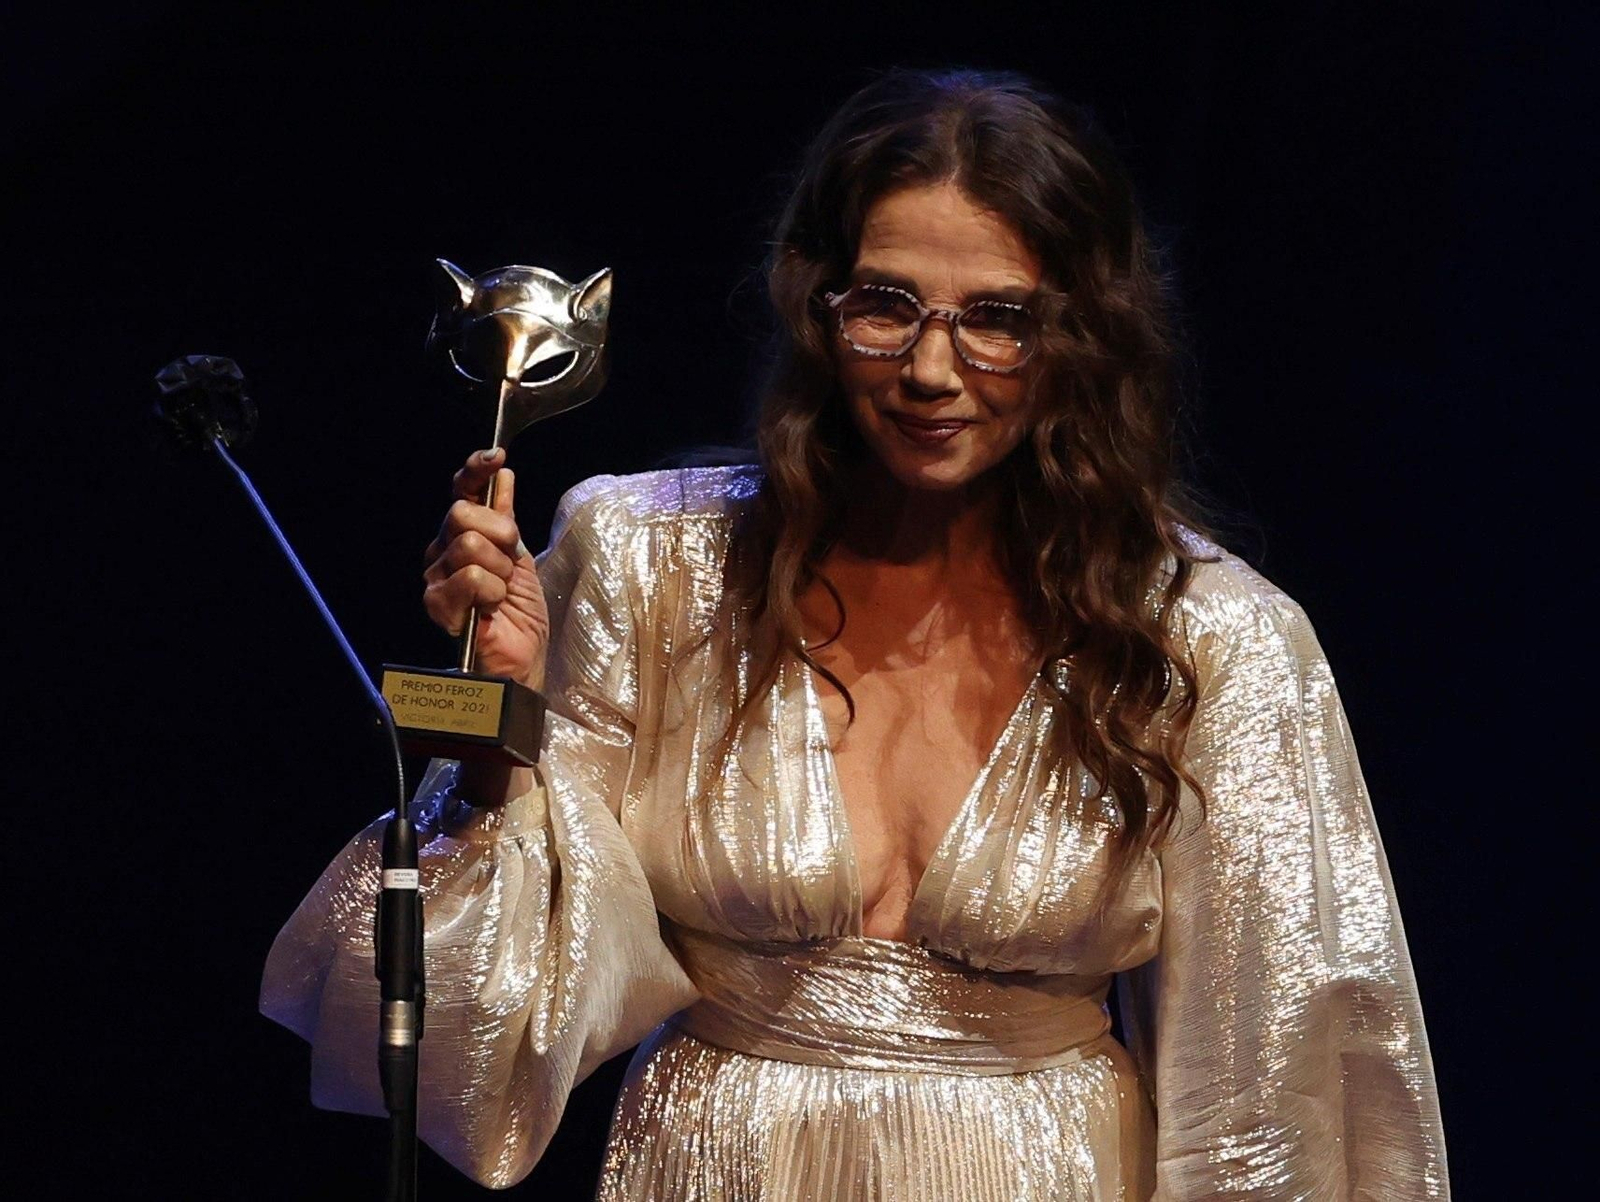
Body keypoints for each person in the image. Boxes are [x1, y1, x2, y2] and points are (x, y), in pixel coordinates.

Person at [262, 68, 1450, 1199]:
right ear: (815, 302)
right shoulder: (645, 556)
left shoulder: (1207, 634)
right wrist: (496, 722)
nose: (933, 368)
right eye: (886, 305)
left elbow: (1278, 1078)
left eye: (997, 318)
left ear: (1082, 332)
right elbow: (483, 1023)